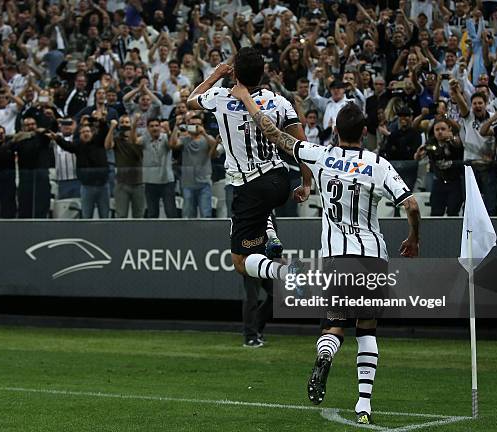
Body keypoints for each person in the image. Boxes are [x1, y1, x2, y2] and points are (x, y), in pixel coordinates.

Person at [229, 87, 420, 425]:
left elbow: (275, 134)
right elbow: (411, 204)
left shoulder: (319, 156)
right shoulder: (378, 164)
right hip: (373, 256)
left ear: (334, 130)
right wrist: (413, 238)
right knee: (367, 331)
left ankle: (324, 357)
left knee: (334, 326)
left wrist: (246, 100)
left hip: (336, 258)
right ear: (365, 131)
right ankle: (363, 405)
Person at [186, 48, 312, 297]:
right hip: (281, 180)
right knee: (264, 210)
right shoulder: (279, 101)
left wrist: (215, 74)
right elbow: (301, 144)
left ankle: (288, 271)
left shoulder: (220, 97)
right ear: (262, 73)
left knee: (241, 263)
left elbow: (191, 99)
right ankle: (270, 233)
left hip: (251, 187)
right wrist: (306, 183)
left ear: (235, 76)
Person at [51, 113, 117, 219]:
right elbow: (67, 146)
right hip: (87, 186)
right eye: (83, 132)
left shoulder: (98, 141)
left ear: (92, 133)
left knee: (105, 215)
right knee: (86, 215)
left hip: (103, 186)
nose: (85, 134)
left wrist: (102, 121)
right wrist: (57, 138)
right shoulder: (78, 145)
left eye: (87, 131)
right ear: (80, 135)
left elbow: (104, 130)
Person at [170, 115, 218, 218]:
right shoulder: (184, 138)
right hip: (187, 183)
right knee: (188, 215)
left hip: (204, 183)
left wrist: (204, 133)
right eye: (192, 124)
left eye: (198, 124)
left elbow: (215, 147)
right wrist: (176, 127)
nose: (195, 126)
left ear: (202, 125)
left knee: (206, 215)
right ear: (188, 126)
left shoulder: (207, 138)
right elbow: (173, 144)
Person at [414, 119, 464, 216]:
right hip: (439, 182)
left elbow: (457, 143)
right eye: (437, 129)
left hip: (454, 182)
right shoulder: (431, 142)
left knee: (453, 212)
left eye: (443, 129)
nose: (440, 132)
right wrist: (418, 154)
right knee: (436, 212)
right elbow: (418, 156)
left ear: (449, 129)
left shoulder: (454, 141)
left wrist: (451, 137)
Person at [131, 116, 177, 218]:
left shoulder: (165, 137)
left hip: (167, 181)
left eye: (157, 126)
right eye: (151, 126)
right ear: (147, 128)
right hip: (150, 181)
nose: (154, 128)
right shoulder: (145, 138)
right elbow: (134, 140)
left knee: (171, 211)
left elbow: (172, 145)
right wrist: (134, 125)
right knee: (152, 212)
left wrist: (169, 130)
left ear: (160, 127)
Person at [113, 115, 145, 218]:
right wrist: (111, 128)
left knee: (139, 216)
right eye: (122, 122)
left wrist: (134, 125)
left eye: (127, 122)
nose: (124, 125)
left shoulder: (141, 138)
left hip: (138, 182)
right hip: (122, 183)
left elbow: (133, 142)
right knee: (121, 216)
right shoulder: (117, 140)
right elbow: (107, 145)